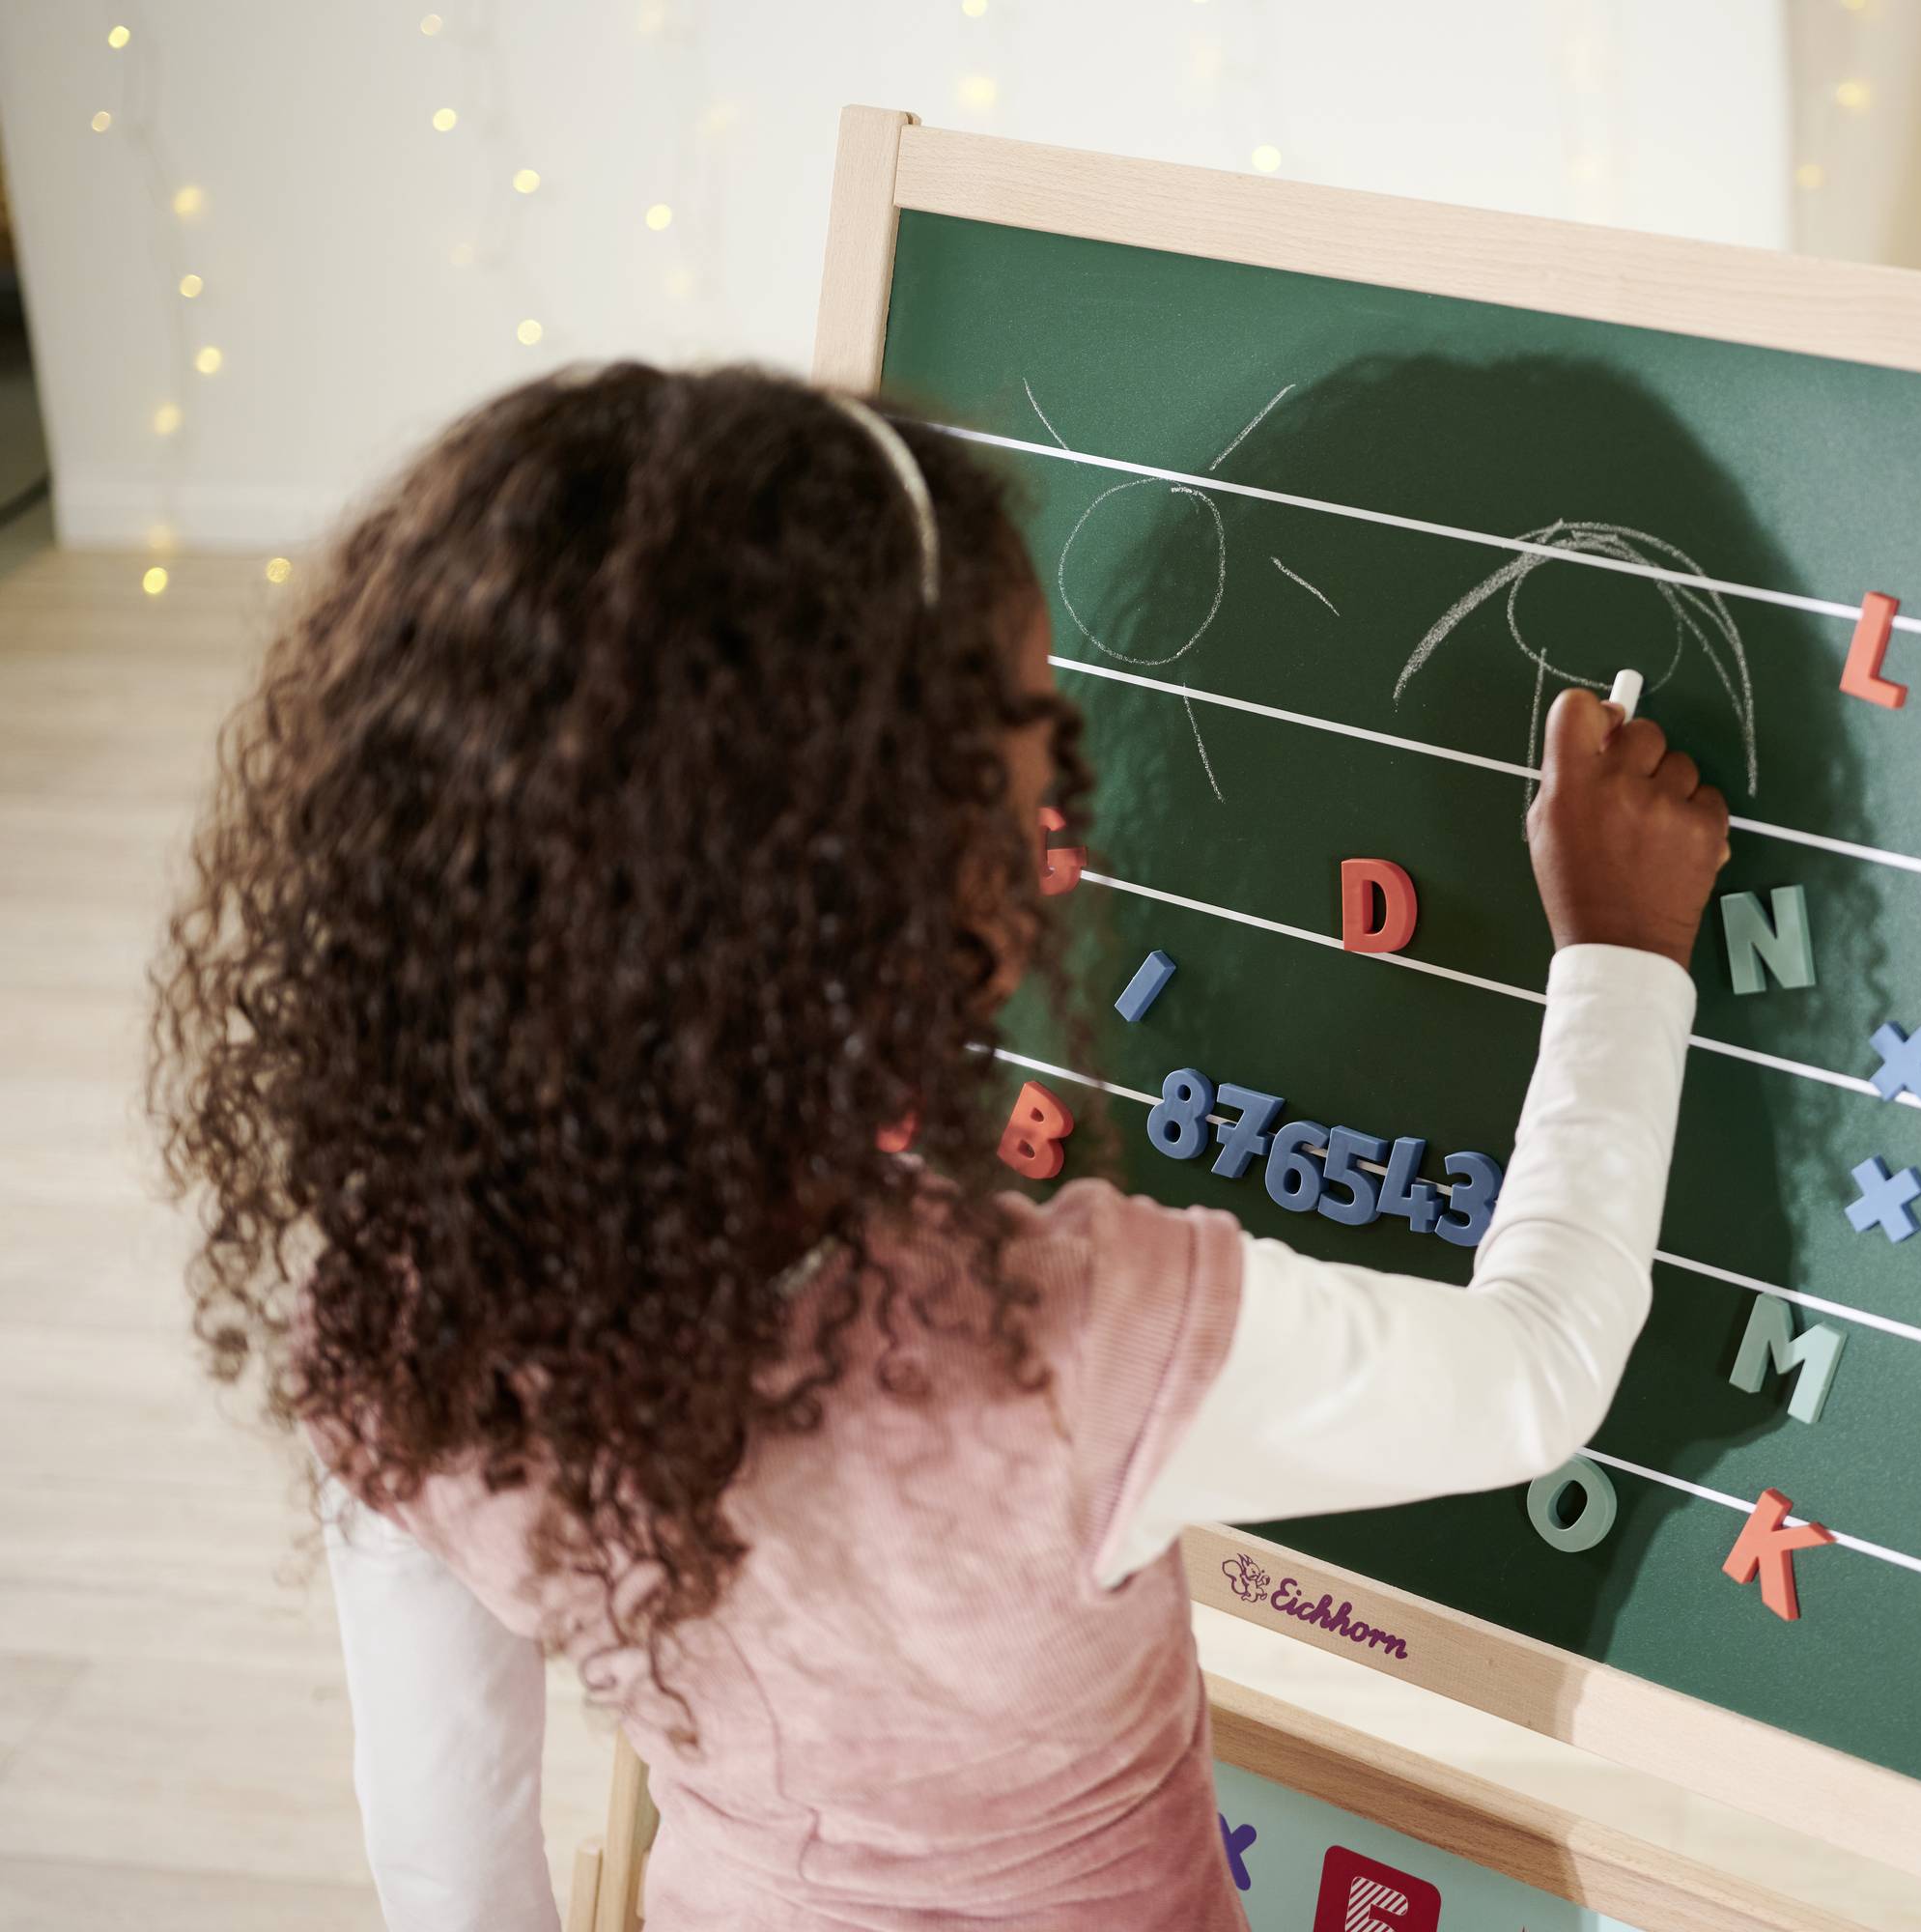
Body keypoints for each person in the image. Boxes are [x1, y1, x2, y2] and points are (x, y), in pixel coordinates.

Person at [148, 363, 1731, 1930]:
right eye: (1032, 733)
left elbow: (441, 1847)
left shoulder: (398, 1320)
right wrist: (1622, 958)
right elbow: (1534, 1373)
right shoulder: (1066, 1346)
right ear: (917, 887)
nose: (1066, 781)